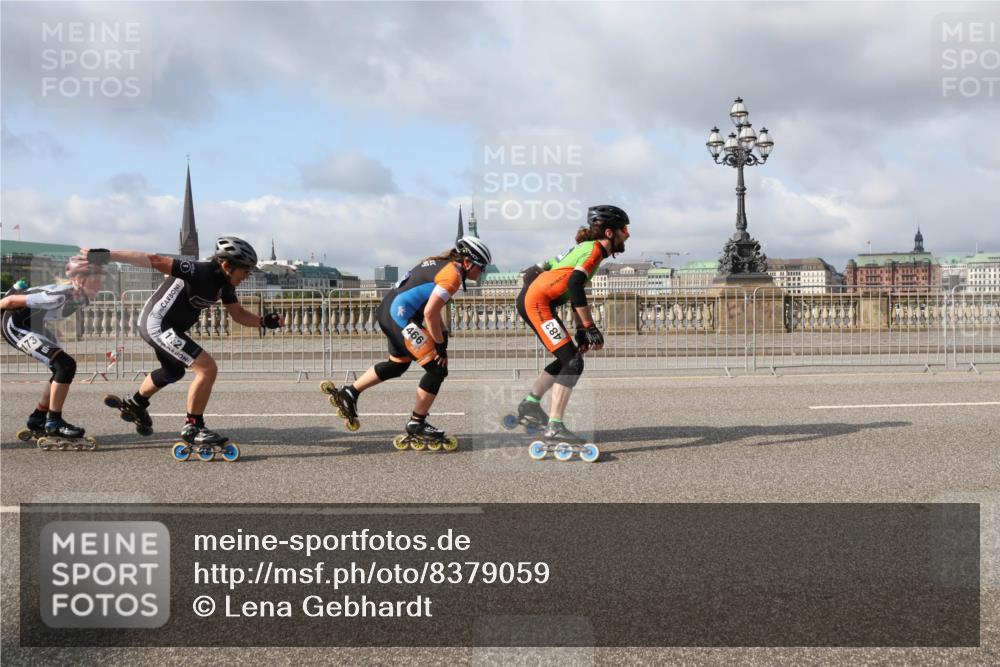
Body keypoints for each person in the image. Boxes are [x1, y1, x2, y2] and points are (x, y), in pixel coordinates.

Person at [83, 237, 282, 446]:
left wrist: (263, 321)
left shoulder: (226, 284)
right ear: (226, 265)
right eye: (245, 270)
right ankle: (193, 426)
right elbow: (154, 259)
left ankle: (136, 403)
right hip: (157, 323)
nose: (247, 276)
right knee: (207, 368)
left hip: (170, 327)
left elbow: (238, 314)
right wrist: (106, 255)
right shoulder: (200, 271)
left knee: (173, 372)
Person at [322, 235, 493, 448]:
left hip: (390, 311)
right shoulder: (453, 276)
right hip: (400, 317)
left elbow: (429, 305)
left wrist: (442, 332)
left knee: (397, 364)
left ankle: (349, 392)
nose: (482, 272)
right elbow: (430, 312)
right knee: (437, 368)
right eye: (481, 267)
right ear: (468, 263)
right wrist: (439, 345)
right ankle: (417, 423)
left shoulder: (441, 264)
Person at [514, 205, 630, 443]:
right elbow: (575, 285)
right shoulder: (595, 250)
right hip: (538, 304)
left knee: (568, 357)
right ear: (609, 233)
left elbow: (535, 273)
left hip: (536, 301)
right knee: (574, 362)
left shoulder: (582, 248)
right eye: (624, 229)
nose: (627, 234)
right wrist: (590, 327)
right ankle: (554, 426)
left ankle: (531, 404)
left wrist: (580, 329)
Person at [1, 255, 107, 444]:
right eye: (95, 280)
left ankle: (38, 417)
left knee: (61, 367)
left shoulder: (80, 298)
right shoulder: (59, 295)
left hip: (34, 324)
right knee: (65, 365)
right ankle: (53, 421)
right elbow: (9, 302)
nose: (99, 285)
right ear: (80, 280)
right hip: (15, 325)